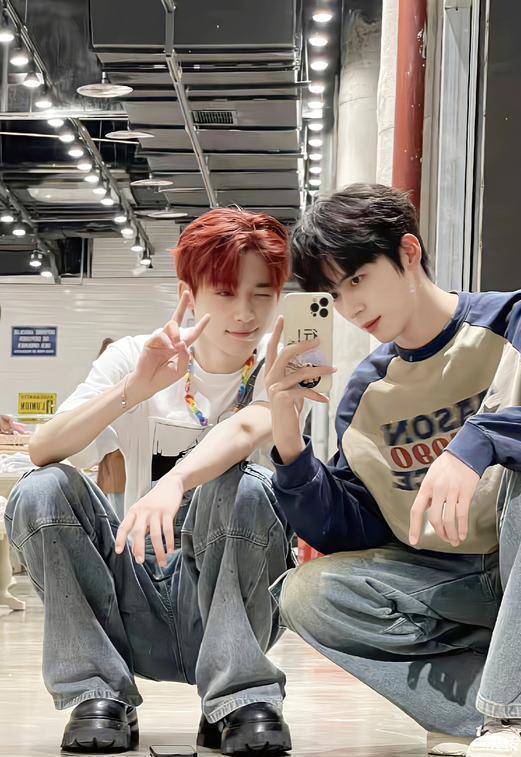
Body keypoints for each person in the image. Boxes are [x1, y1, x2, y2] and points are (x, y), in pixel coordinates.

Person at [264, 184, 521, 757]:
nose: (350, 307)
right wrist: (289, 441)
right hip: (465, 587)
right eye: (334, 295)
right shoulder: (366, 395)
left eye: (358, 279)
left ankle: (519, 719)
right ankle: (490, 719)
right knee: (306, 593)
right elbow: (352, 531)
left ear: (408, 252)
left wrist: (481, 440)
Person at [4, 208, 304, 756]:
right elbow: (43, 449)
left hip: (226, 607)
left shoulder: (281, 368)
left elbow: (247, 427)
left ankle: (238, 697)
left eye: (261, 294)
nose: (245, 312)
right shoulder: (135, 356)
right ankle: (98, 692)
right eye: (225, 293)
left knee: (245, 485)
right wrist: (134, 389)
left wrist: (175, 482)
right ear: (190, 294)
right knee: (40, 489)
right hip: (130, 591)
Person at [95, 339, 127, 520]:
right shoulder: (107, 397)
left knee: (119, 525)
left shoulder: (119, 397)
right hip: (111, 477)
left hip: (118, 477)